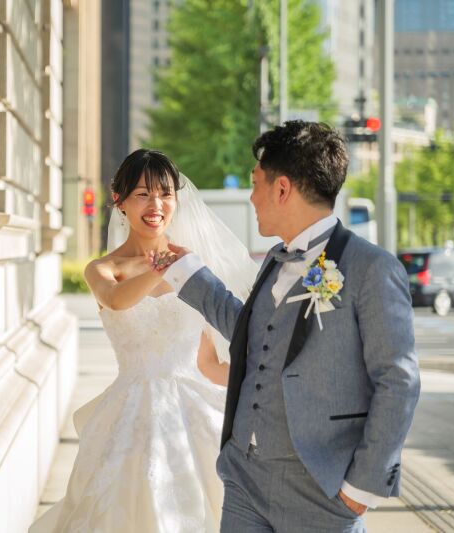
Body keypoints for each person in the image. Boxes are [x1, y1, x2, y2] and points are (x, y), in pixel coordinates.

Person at [152, 121, 421, 532]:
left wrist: (361, 488)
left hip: (323, 490)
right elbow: (254, 334)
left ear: (281, 189)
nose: (251, 196)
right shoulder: (275, 259)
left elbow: (398, 381)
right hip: (244, 479)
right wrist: (188, 273)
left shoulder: (372, 268)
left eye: (255, 183)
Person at [30, 149, 258, 532]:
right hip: (130, 418)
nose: (156, 205)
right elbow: (117, 301)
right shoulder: (103, 269)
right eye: (143, 194)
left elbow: (207, 363)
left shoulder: (193, 265)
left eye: (165, 194)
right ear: (119, 201)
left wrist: (262, 382)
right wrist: (165, 268)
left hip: (193, 414)